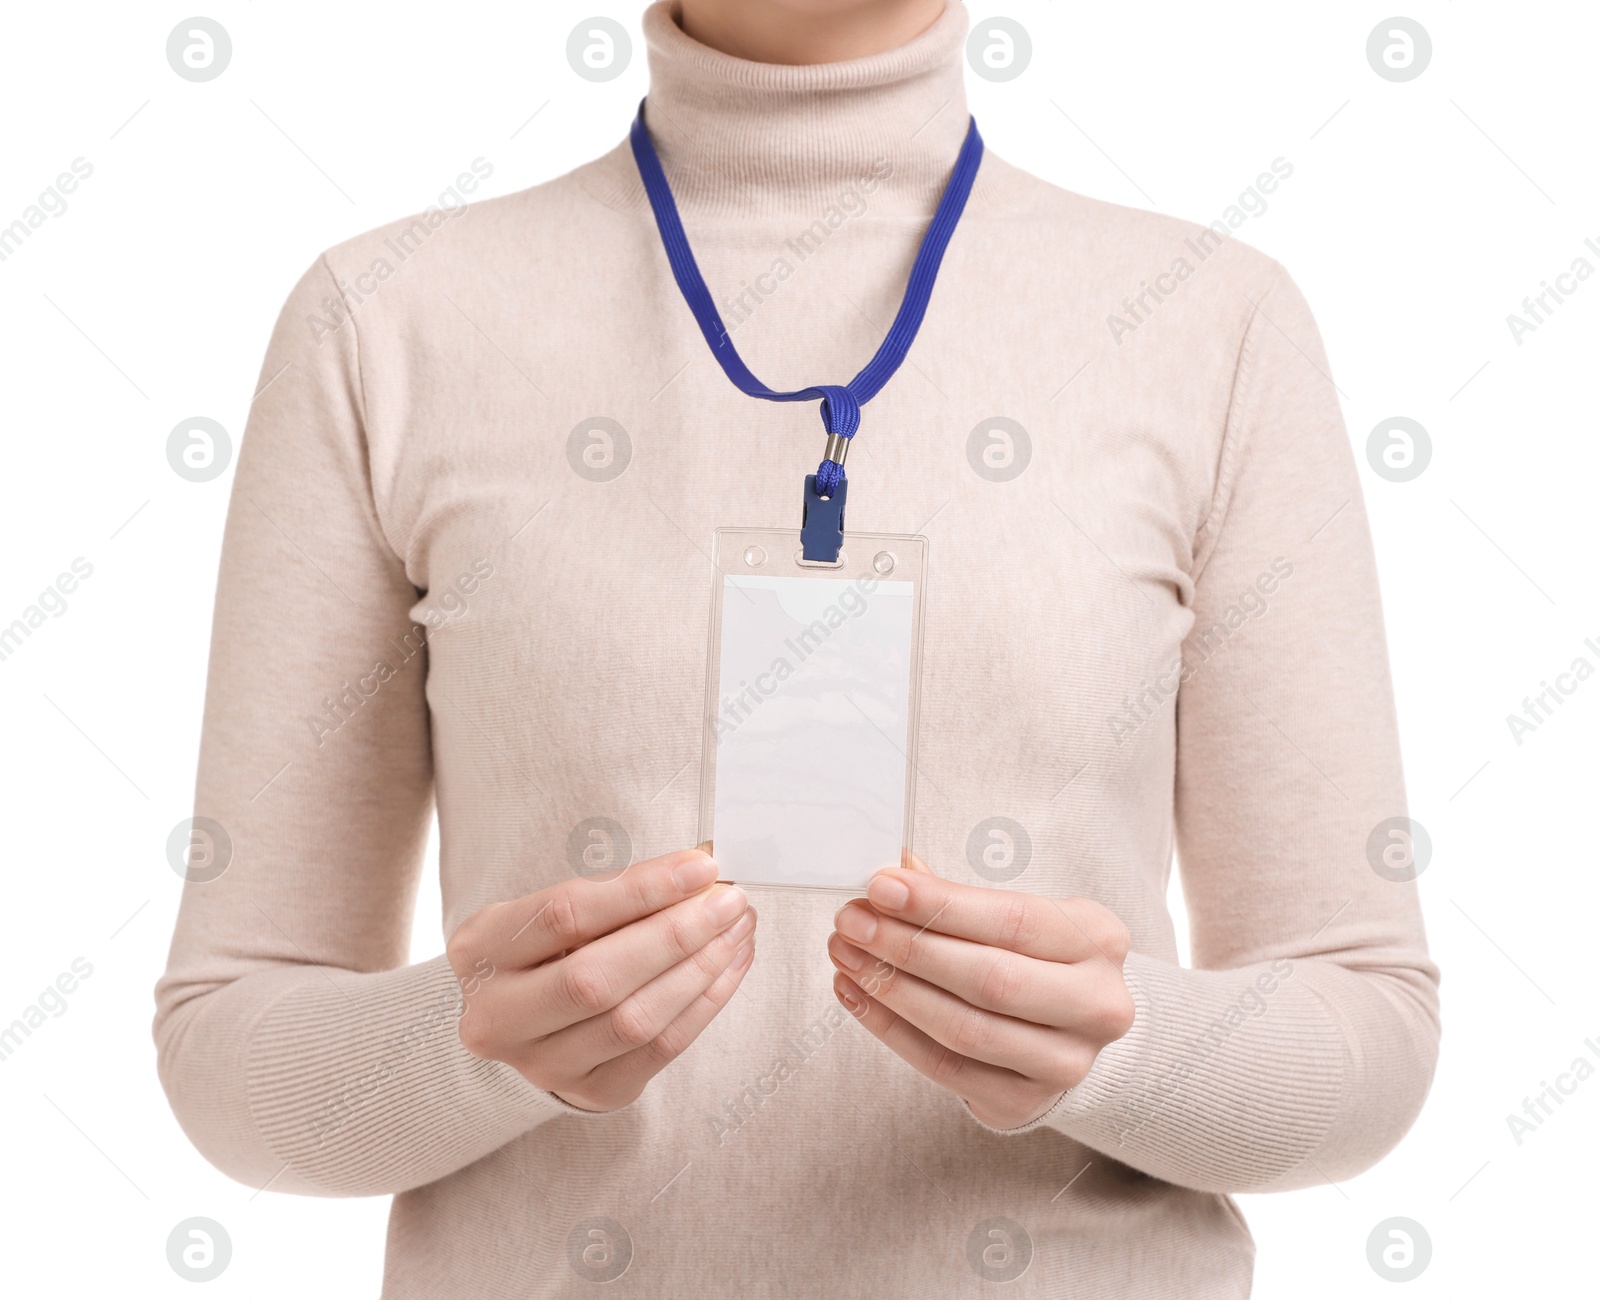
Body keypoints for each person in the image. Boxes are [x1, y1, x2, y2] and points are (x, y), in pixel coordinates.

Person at [154, 1, 1440, 1295]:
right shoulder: (382, 322)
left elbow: (1370, 1024)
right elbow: (227, 1042)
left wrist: (1129, 1045)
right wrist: (469, 1042)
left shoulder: (1214, 327)